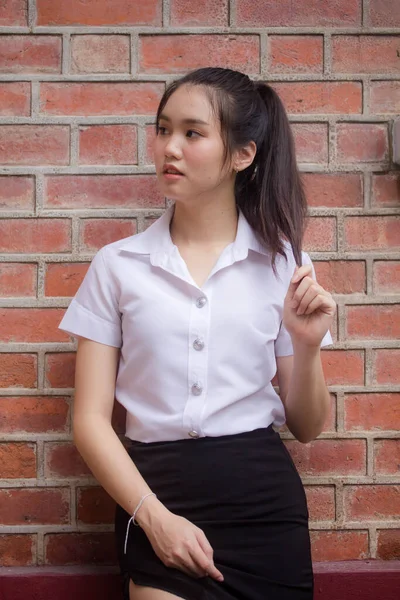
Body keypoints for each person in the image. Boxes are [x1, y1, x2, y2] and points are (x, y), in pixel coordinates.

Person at [59, 67, 336, 600]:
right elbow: (90, 421)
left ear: (243, 155)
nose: (170, 147)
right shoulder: (117, 266)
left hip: (263, 506)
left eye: (192, 132)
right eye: (163, 129)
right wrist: (154, 520)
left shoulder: (286, 266)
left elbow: (307, 426)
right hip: (156, 494)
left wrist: (306, 345)